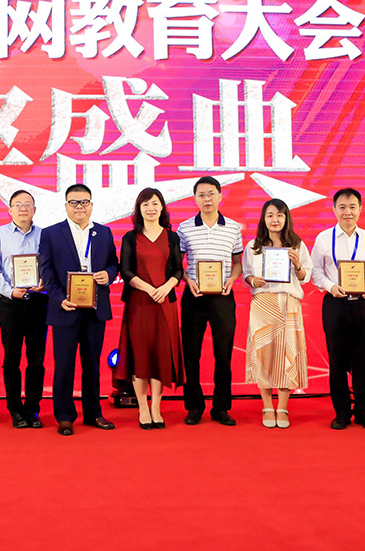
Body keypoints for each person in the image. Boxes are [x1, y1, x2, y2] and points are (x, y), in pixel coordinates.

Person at [38, 184, 118, 436]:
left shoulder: (104, 233)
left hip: (95, 308)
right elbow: (46, 271)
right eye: (74, 202)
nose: (79, 206)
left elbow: (113, 263)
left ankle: (93, 413)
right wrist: (59, 298)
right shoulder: (51, 234)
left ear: (91, 205)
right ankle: (64, 416)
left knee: (92, 364)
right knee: (64, 365)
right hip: (65, 308)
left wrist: (109, 274)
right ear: (66, 206)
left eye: (84, 202)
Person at [310, 189, 365, 431]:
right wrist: (330, 286)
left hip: (363, 303)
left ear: (360, 209)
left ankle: (364, 412)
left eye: (352, 207)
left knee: (363, 358)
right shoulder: (324, 238)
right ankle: (341, 412)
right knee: (337, 359)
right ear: (334, 210)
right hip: (335, 303)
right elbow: (315, 271)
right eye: (342, 207)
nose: (347, 212)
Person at [177, 176, 242, 426]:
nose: (207, 199)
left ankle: (221, 407)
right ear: (195, 199)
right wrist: (187, 280)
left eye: (211, 193)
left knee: (223, 354)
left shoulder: (233, 227)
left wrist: (232, 280)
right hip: (194, 296)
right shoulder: (184, 228)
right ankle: (194, 407)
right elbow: (177, 264)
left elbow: (237, 263)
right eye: (202, 195)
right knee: (191, 354)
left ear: (220, 196)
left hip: (223, 297)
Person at [241, 199, 312, 429]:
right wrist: (253, 280)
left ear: (286, 218)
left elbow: (306, 277)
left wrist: (298, 265)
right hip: (263, 304)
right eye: (270, 215)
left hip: (288, 304)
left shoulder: (297, 245)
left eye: (280, 215)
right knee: (264, 356)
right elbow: (246, 275)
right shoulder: (253, 246)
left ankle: (282, 407)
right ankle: (266, 406)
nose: (275, 220)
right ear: (263, 218)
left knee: (287, 354)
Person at [117, 188, 184, 430]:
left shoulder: (172, 237)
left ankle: (156, 407)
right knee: (140, 354)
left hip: (165, 302)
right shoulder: (130, 237)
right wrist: (149, 289)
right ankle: (142, 408)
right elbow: (125, 271)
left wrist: (165, 287)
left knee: (160, 354)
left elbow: (178, 269)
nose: (150, 208)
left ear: (162, 207)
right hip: (139, 303)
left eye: (155, 203)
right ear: (139, 209)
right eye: (145, 204)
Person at [0, 190, 48, 429]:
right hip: (10, 303)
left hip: (38, 302)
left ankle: (32, 408)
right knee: (11, 359)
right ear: (10, 209)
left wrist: (45, 283)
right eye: (18, 204)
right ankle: (14, 409)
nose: (23, 208)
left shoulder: (45, 235)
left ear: (35, 210)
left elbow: (51, 266)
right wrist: (10, 291)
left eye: (27, 204)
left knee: (36, 360)